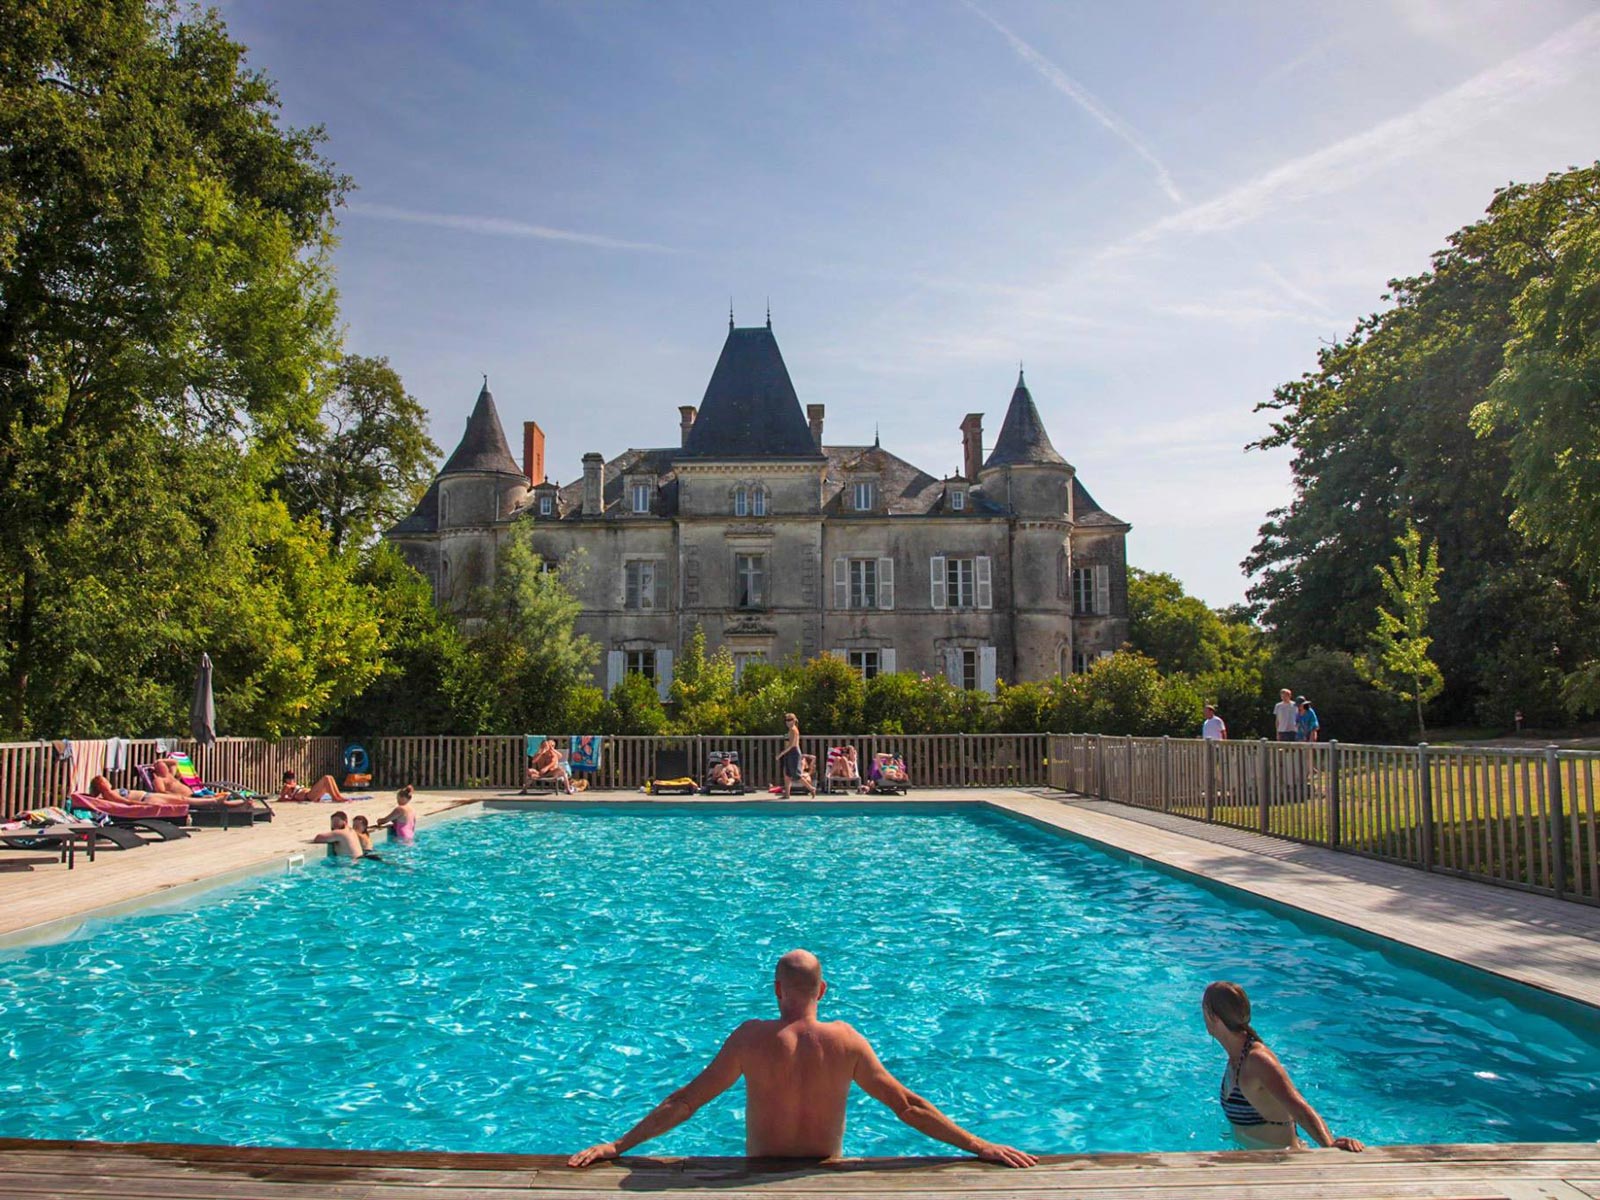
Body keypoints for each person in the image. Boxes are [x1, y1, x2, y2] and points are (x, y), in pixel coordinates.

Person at [568, 950, 1035, 1168]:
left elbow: (686, 1101)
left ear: (776, 991)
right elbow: (907, 1106)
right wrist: (978, 1146)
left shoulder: (750, 1039)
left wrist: (619, 1145)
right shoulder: (846, 1041)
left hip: (756, 1171)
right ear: (823, 991)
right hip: (826, 1172)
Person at [1202, 981, 1363, 1152]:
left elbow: (1299, 1108)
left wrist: (1330, 1147)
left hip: (1282, 1164)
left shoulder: (1257, 1061)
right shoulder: (1235, 1057)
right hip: (1250, 1159)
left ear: (1214, 1017)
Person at [779, 713, 814, 798]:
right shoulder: (790, 730)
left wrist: (781, 754)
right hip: (789, 753)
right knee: (787, 774)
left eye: (790, 720)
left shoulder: (794, 730)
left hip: (794, 753)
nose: (788, 722)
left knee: (796, 775)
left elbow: (792, 745)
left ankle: (811, 788)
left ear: (794, 720)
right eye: (786, 720)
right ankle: (787, 794)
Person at [89, 775, 177, 807]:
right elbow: (127, 802)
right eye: (105, 781)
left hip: (147, 796)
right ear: (101, 785)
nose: (108, 781)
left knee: (179, 799)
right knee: (179, 799)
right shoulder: (109, 794)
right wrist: (145, 804)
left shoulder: (109, 793)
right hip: (145, 799)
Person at [279, 770, 349, 804]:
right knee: (326, 778)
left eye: (292, 778)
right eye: (290, 778)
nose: (292, 780)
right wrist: (293, 799)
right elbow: (281, 798)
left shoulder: (294, 785)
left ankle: (338, 796)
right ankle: (335, 798)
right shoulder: (287, 786)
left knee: (330, 777)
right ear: (286, 779)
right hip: (308, 796)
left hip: (311, 794)